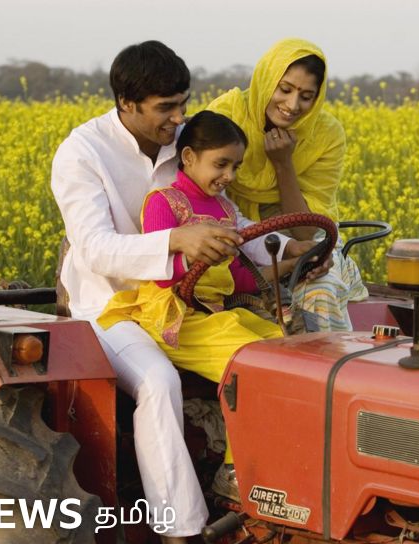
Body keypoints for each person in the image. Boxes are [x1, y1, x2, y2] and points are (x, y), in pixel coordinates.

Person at [51, 42, 325, 544]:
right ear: (127, 103)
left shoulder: (187, 145)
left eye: (183, 105)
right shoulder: (82, 153)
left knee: (294, 351)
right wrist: (177, 241)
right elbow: (96, 249)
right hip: (112, 307)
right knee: (158, 383)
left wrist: (293, 253)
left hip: (192, 306)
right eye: (165, 109)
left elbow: (230, 221)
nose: (178, 120)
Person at [97, 111, 308, 502]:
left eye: (236, 166)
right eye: (221, 164)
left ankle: (283, 455)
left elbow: (241, 279)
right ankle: (234, 469)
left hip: (215, 314)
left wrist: (294, 261)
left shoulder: (225, 210)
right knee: (249, 362)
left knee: (285, 345)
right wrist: (196, 259)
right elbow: (161, 273)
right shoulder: (165, 203)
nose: (229, 175)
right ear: (189, 158)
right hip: (178, 314)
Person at [207, 38, 368, 332]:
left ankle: (329, 372)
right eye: (285, 90)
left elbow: (306, 229)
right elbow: (205, 195)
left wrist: (283, 164)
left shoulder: (326, 134)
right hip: (238, 232)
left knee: (318, 291)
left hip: (305, 235)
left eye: (306, 96)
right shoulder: (228, 114)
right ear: (267, 80)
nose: (293, 106)